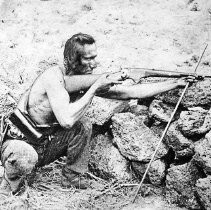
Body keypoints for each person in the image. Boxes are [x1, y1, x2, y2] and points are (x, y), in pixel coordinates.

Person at [0, 33, 192, 195]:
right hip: (20, 143)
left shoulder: (81, 80)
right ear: (72, 60)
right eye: (88, 58)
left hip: (45, 145)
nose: (94, 63)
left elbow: (129, 92)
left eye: (95, 57)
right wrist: (94, 89)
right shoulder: (53, 76)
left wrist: (174, 83)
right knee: (25, 157)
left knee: (83, 125)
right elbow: (66, 120)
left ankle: (73, 179)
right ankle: (10, 186)